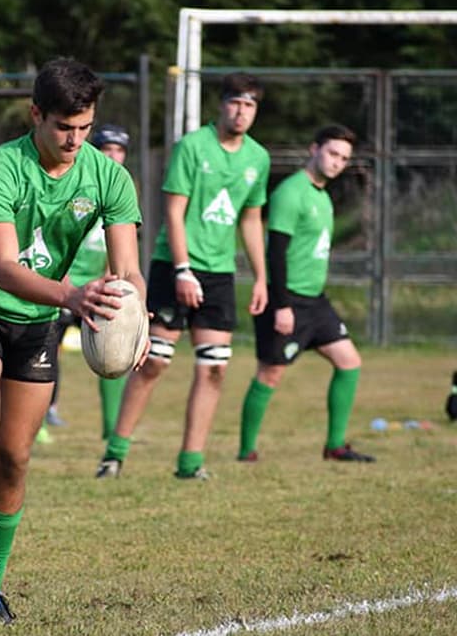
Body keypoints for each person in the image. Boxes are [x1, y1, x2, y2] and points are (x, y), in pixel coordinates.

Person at [0, 58, 146, 625]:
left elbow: (127, 269)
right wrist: (73, 297)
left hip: (38, 321)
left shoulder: (110, 178)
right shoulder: (0, 167)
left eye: (85, 127)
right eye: (63, 127)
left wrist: (135, 317)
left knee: (15, 457)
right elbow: (1, 267)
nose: (75, 139)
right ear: (36, 115)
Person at [96, 72, 269, 480]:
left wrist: (261, 277)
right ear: (221, 104)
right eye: (235, 102)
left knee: (215, 367)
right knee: (154, 362)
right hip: (173, 267)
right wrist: (183, 269)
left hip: (220, 274)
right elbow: (174, 212)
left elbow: (251, 219)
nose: (241, 112)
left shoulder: (257, 158)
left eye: (250, 105)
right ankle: (115, 454)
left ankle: (191, 462)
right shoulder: (193, 147)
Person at [238, 125, 374, 462]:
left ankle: (335, 446)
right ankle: (246, 451)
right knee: (270, 373)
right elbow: (275, 253)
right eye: (332, 153)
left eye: (343, 158)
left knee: (349, 362)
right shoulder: (291, 193)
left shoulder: (322, 196)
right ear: (314, 150)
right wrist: (282, 306)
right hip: (287, 299)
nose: (337, 162)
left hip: (316, 302)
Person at [44, 123, 132, 440]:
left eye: (119, 150)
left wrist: (111, 282)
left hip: (97, 287)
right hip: (61, 286)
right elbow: (55, 240)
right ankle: (40, 419)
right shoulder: (76, 184)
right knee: (45, 352)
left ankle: (112, 428)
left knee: (114, 349)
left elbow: (120, 250)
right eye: (107, 149)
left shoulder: (120, 191)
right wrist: (65, 288)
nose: (113, 155)